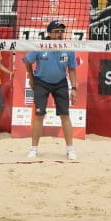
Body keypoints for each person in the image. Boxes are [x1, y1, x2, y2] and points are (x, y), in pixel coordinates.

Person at [22, 20, 79, 160]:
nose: (60, 34)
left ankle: (70, 149)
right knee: (39, 115)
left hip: (60, 83)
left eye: (61, 31)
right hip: (41, 82)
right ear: (49, 33)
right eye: (56, 31)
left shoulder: (68, 47)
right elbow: (27, 61)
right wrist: (31, 76)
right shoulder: (40, 46)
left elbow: (72, 69)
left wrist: (74, 88)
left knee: (65, 115)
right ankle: (33, 149)